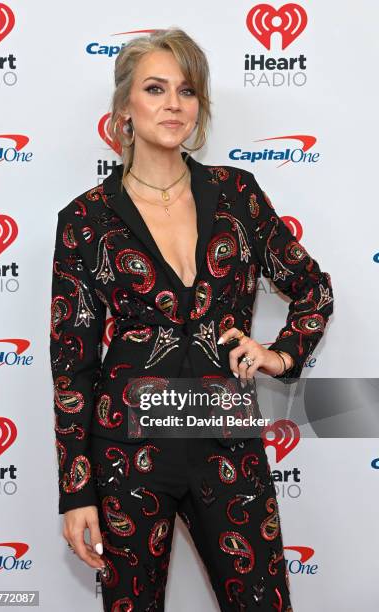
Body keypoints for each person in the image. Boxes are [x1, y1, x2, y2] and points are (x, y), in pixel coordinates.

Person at [50, 28, 333, 611]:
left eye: (187, 90)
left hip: (226, 439)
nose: (173, 104)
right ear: (125, 106)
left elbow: (312, 288)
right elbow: (71, 367)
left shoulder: (237, 194)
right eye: (155, 88)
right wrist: (75, 492)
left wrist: (279, 353)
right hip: (127, 453)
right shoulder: (85, 219)